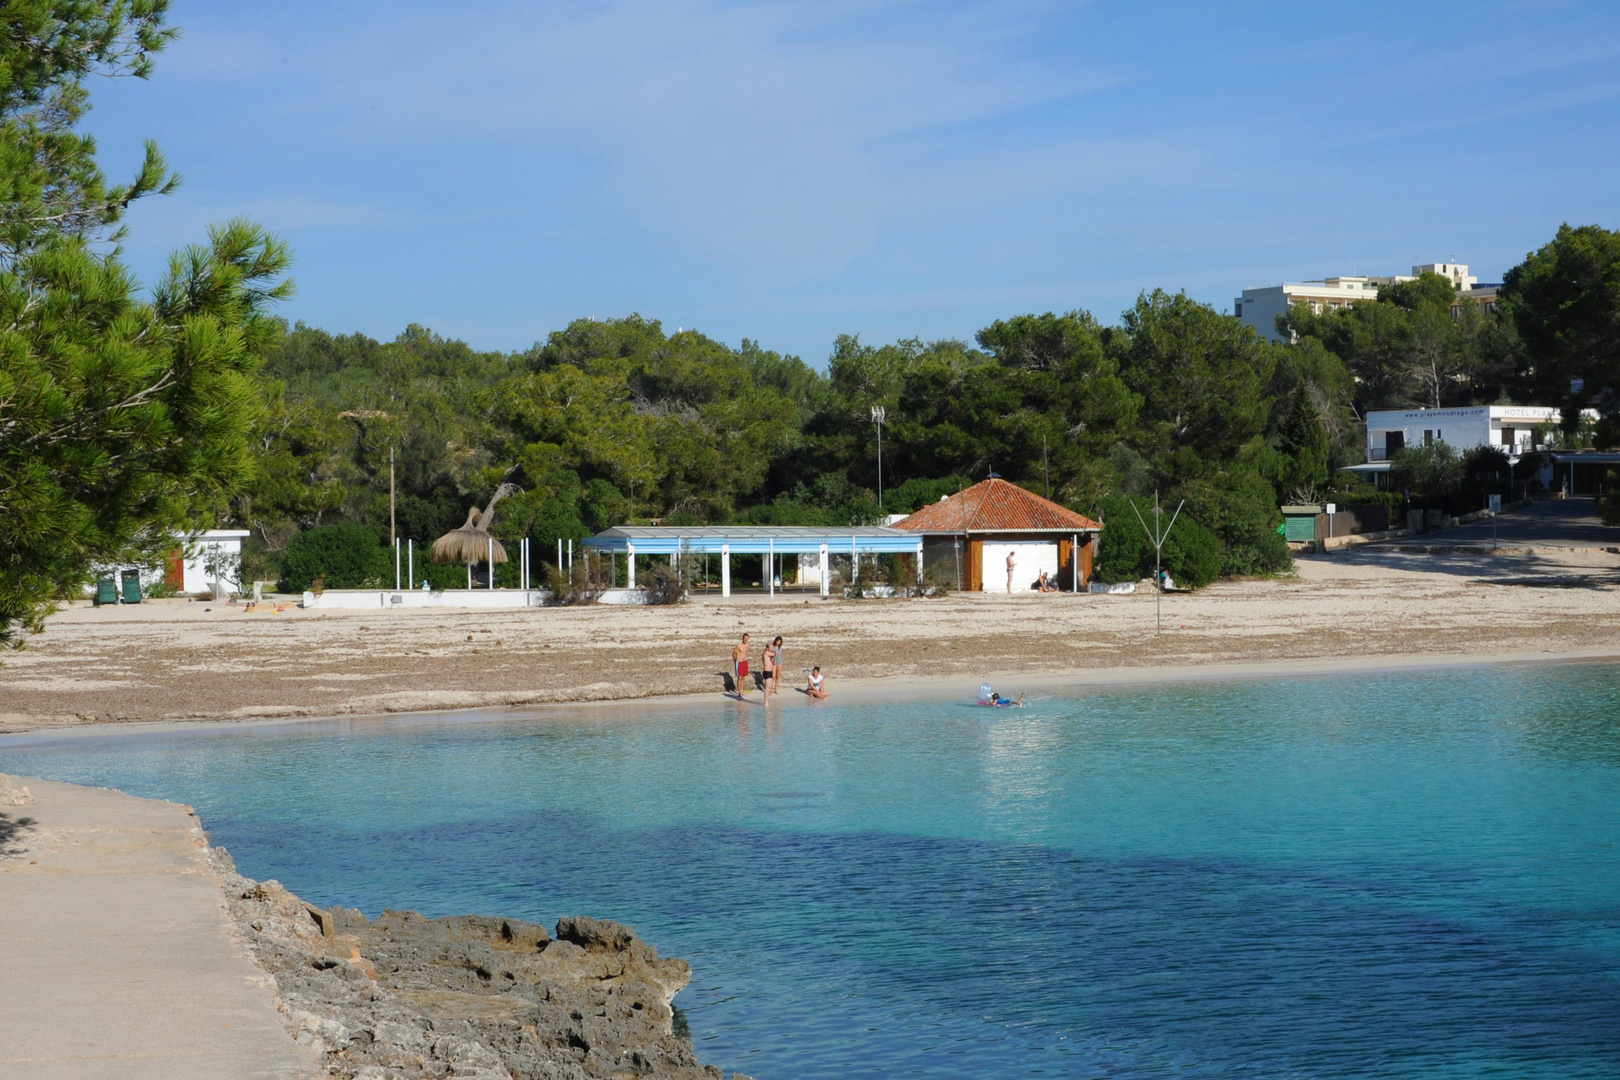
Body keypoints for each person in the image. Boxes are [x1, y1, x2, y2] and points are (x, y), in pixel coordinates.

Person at [762, 635, 784, 701]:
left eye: (780, 641)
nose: (778, 642)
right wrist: (774, 660)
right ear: (776, 641)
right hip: (774, 662)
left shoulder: (780, 647)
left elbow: (780, 654)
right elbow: (771, 654)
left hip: (780, 662)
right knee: (773, 676)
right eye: (778, 641)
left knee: (778, 676)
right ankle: (770, 689)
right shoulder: (772, 647)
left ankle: (776, 689)